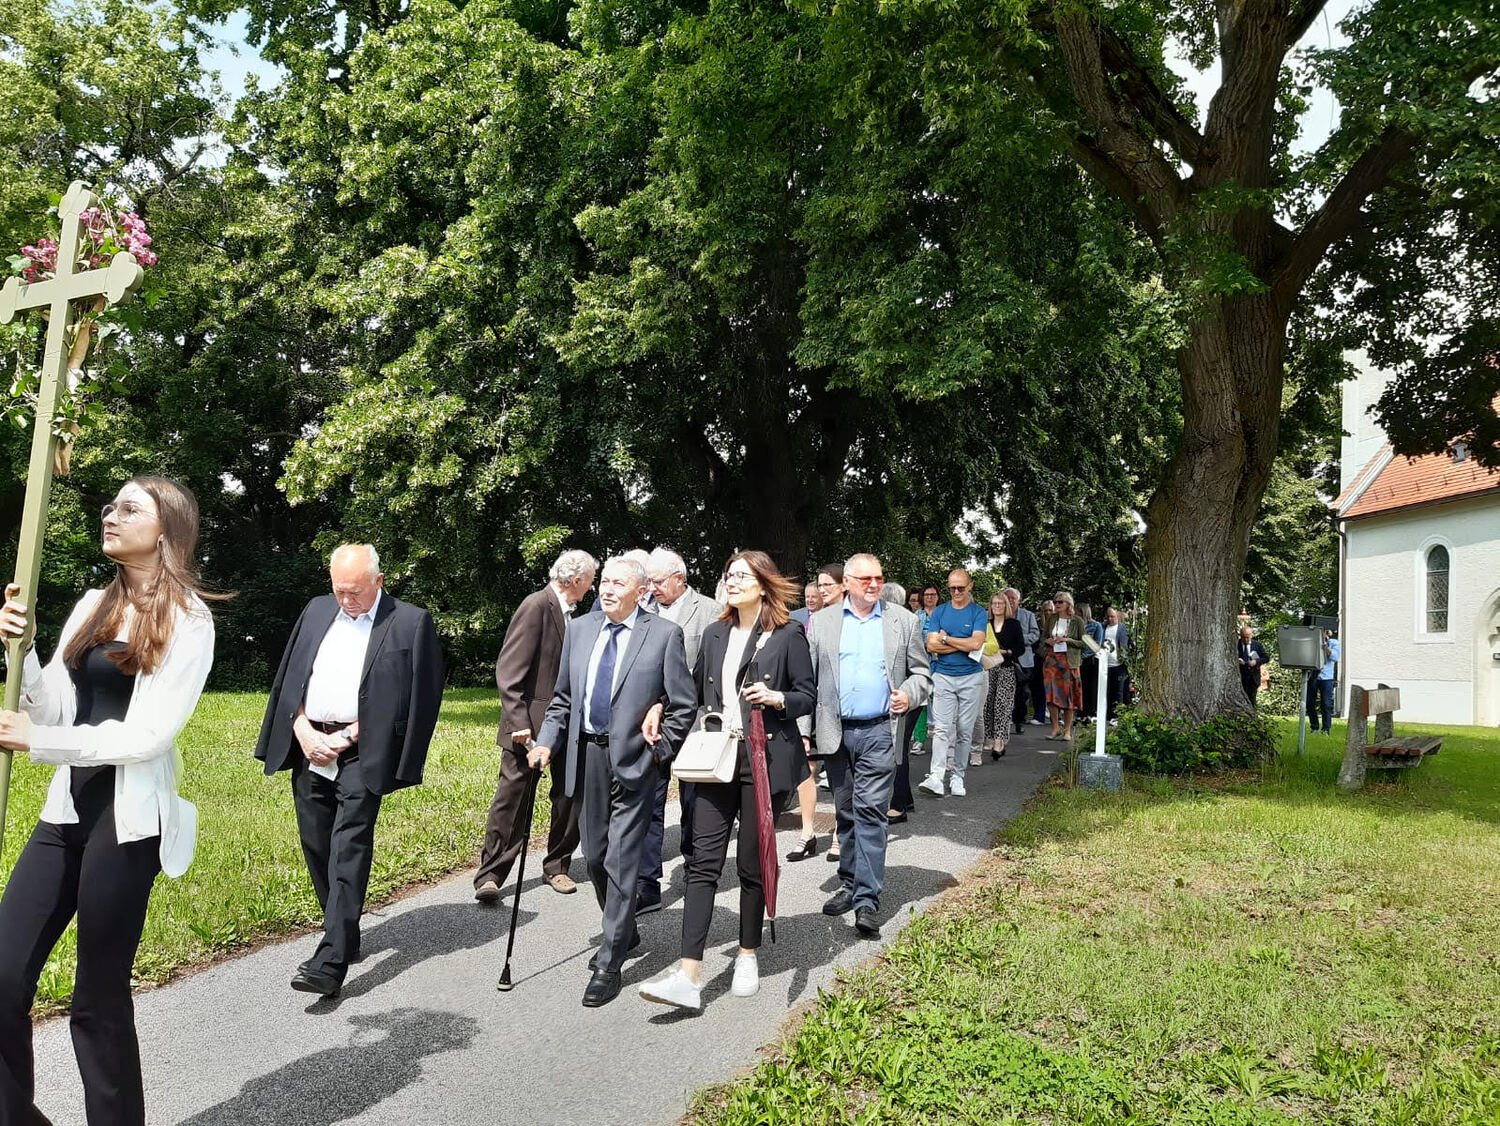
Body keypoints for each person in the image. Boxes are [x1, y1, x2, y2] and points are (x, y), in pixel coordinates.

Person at [0, 477, 217, 1126]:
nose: (111, 515)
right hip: (66, 812)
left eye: (129, 508)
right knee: (2, 979)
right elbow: (54, 707)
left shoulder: (190, 619)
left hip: (125, 826)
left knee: (97, 1004)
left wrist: (38, 742)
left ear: (167, 529)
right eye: (110, 506)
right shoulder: (93, 604)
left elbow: (149, 736)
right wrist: (23, 651)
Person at [254, 543, 444, 998]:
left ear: (379, 580)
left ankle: (330, 960)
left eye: (355, 591)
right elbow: (291, 676)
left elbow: (415, 696)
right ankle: (344, 928)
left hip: (362, 750)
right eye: (339, 590)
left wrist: (347, 737)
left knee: (348, 846)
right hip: (309, 744)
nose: (346, 600)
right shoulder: (317, 611)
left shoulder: (408, 622)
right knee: (316, 842)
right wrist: (301, 727)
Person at [637, 552, 815, 1011]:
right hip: (715, 758)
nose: (731, 582)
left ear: (763, 584)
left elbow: (807, 695)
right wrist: (659, 704)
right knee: (703, 863)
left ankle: (747, 953)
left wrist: (777, 697)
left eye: (741, 576)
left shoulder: (788, 634)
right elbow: (692, 688)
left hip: (763, 759)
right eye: (729, 575)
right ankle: (689, 973)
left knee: (751, 864)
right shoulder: (716, 633)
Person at [530, 556, 696, 1007]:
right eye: (604, 581)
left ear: (640, 592)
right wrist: (546, 743)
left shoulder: (663, 635)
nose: (606, 589)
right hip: (587, 757)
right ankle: (626, 929)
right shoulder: (581, 630)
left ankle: (610, 959)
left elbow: (683, 703)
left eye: (618, 584)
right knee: (596, 857)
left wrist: (659, 752)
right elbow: (563, 698)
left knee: (621, 859)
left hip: (636, 760)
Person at [800, 555, 929, 937]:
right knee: (845, 811)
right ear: (847, 582)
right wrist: (804, 732)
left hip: (879, 731)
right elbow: (808, 682)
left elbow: (922, 673)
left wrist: (909, 694)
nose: (873, 584)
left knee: (871, 811)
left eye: (878, 578)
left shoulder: (902, 620)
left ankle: (867, 899)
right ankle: (849, 882)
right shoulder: (822, 622)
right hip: (835, 732)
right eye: (865, 579)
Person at [473, 549, 596, 906]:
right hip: (528, 726)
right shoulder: (536, 605)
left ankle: (557, 865)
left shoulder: (575, 614)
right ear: (577, 580)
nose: (592, 588)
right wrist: (518, 721)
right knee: (512, 799)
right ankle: (491, 875)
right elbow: (508, 670)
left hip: (570, 723)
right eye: (590, 581)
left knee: (569, 797)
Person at [637, 548, 723, 914]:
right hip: (651, 721)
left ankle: (694, 864)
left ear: (679, 578)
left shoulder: (709, 611)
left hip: (694, 719)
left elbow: (713, 669)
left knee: (693, 800)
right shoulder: (642, 611)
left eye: (658, 581)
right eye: (649, 581)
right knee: (649, 800)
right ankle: (647, 883)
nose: (652, 588)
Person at [918, 569, 987, 798]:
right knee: (941, 729)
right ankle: (936, 776)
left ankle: (958, 776)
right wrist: (962, 644)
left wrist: (946, 638)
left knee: (965, 730)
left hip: (971, 676)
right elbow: (931, 646)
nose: (956, 592)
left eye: (960, 587)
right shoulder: (940, 611)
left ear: (970, 586)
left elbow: (976, 644)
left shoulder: (978, 612)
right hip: (943, 675)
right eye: (952, 588)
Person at [980, 592, 1024, 759]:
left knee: (1002, 704)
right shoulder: (985, 624)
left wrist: (1007, 652)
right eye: (994, 603)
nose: (997, 606)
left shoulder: (1014, 624)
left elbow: (1021, 648)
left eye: (1000, 603)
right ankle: (989, 736)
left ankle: (999, 740)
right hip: (988, 668)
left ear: (1006, 606)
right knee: (987, 703)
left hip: (1006, 668)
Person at [1040, 591, 1087, 740]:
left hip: (1069, 661)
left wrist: (1068, 640)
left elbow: (1084, 642)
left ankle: (1067, 730)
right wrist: (1047, 641)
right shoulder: (1051, 619)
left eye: (1060, 602)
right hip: (1052, 660)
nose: (1057, 604)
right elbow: (1043, 637)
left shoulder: (1077, 621)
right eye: (1055, 602)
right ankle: (1055, 727)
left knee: (1069, 695)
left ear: (1068, 604)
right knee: (1050, 695)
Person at [1006, 588, 1041, 734]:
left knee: (1022, 693)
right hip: (1005, 658)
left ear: (1018, 600)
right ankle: (1005, 719)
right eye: (1007, 598)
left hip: (1024, 659)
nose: (1010, 601)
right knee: (1005, 690)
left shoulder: (1028, 615)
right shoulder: (999, 615)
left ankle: (1019, 720)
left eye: (1013, 598)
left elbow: (1035, 635)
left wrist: (1019, 639)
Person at [1306, 628, 1339, 733]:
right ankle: (1314, 727)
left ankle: (1326, 729)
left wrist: (1324, 644)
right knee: (1310, 703)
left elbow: (1334, 657)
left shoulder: (1334, 643)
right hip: (1313, 676)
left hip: (1327, 678)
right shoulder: (1311, 642)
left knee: (1326, 704)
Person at [1078, 603, 1106, 722]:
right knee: (1081, 688)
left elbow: (1096, 645)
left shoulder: (1096, 625)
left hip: (1091, 660)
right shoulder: (1076, 626)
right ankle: (1081, 713)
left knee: (1092, 688)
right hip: (1078, 660)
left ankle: (1091, 713)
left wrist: (1083, 655)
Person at [1103, 606, 1130, 722]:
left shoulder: (1123, 628)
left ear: (1117, 616)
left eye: (1112, 616)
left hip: (1119, 664)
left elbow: (1128, 643)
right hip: (1105, 664)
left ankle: (1117, 716)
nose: (1110, 619)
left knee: (1119, 691)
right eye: (1108, 616)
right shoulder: (1103, 627)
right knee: (1107, 691)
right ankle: (1108, 715)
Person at [1237, 625, 1269, 709]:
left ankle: (1252, 713)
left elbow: (1266, 658)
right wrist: (1237, 660)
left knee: (1252, 699)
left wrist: (1256, 661)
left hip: (1253, 677)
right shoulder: (1236, 644)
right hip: (1240, 676)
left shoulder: (1257, 645)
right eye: (1243, 637)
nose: (1245, 640)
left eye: (1247, 637)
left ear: (1251, 635)